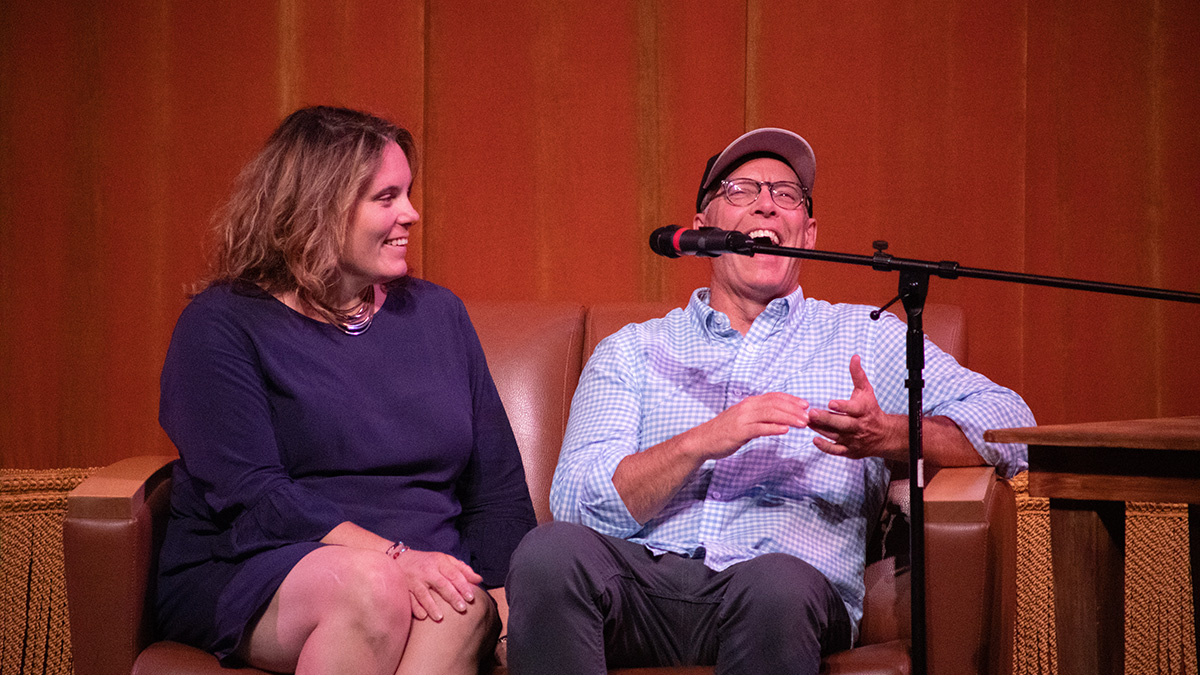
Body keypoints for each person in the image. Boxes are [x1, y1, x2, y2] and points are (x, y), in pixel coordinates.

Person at [504, 127, 1034, 674]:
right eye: (741, 191)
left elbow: (1012, 425)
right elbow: (576, 505)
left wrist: (890, 435)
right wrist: (701, 442)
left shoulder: (866, 335)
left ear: (807, 233)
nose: (765, 205)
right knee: (549, 555)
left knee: (775, 584)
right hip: (645, 589)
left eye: (786, 195)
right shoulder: (635, 350)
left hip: (784, 594)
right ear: (703, 228)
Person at [156, 106, 536, 675]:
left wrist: (505, 593)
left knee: (459, 605)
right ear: (316, 208)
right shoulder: (222, 325)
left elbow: (497, 487)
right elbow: (253, 494)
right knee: (372, 588)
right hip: (262, 564)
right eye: (386, 198)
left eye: (407, 193)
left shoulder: (438, 315)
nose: (412, 213)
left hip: (423, 571)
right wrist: (393, 557)